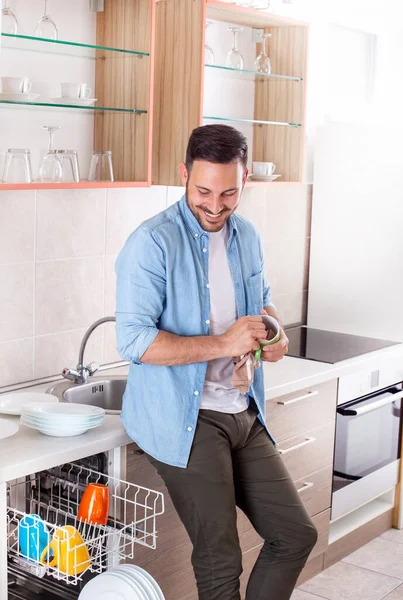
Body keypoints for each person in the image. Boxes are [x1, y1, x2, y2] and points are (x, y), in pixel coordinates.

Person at [115, 124, 317, 600]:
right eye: (203, 190)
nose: (215, 204)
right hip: (187, 420)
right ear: (184, 174)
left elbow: (263, 306)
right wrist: (223, 343)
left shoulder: (247, 235)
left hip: (244, 410)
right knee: (219, 563)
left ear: (245, 179)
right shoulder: (153, 242)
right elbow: (135, 342)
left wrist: (275, 333)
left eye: (229, 192)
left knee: (294, 535)